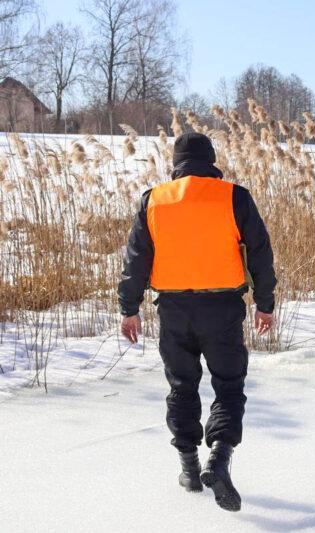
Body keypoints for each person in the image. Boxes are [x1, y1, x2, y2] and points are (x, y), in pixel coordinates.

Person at [117, 132, 277, 512]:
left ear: (176, 163)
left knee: (182, 387)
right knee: (229, 387)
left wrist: (129, 308)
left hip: (173, 310)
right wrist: (265, 304)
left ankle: (189, 469)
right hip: (222, 308)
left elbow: (136, 258)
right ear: (211, 160)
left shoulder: (154, 199)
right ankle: (218, 457)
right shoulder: (234, 196)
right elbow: (260, 252)